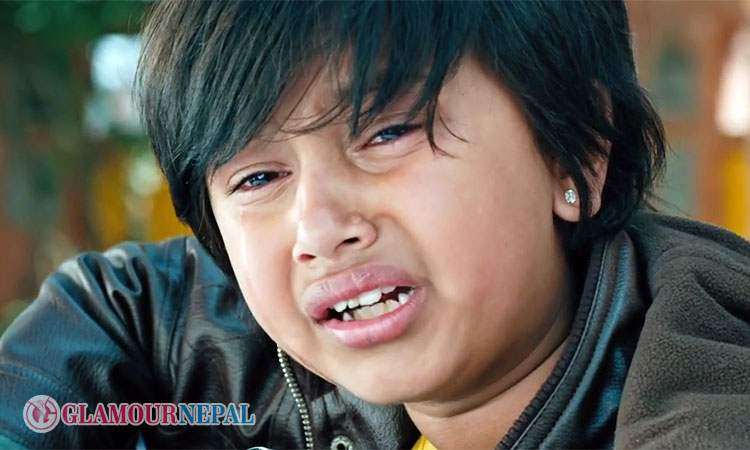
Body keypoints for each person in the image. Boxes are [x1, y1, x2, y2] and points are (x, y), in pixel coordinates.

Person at [1, 1, 749, 448]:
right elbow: (122, 301)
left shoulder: (704, 397)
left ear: (577, 149)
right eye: (259, 178)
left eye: (387, 132)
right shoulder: (266, 345)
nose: (319, 229)